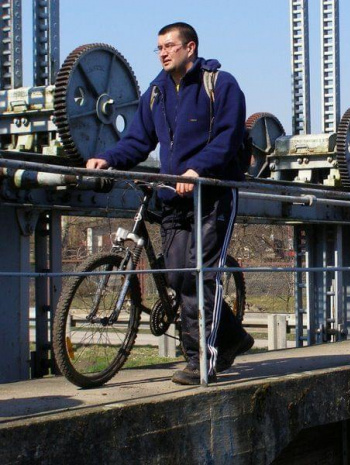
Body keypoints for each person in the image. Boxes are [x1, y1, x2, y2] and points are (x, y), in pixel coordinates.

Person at [86, 22, 253, 384]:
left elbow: (228, 138)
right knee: (177, 276)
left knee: (198, 276)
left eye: (169, 45)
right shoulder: (157, 93)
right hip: (172, 199)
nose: (162, 52)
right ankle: (233, 338)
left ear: (190, 48)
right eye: (158, 47)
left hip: (212, 197)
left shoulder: (220, 85)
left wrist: (197, 170)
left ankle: (199, 362)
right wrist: (109, 158)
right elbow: (137, 139)